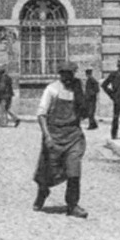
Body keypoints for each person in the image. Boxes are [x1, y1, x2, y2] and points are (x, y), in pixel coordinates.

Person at [33, 63, 88, 218]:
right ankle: (42, 192)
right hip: (54, 136)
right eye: (64, 74)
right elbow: (41, 115)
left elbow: (83, 112)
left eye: (70, 74)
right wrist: (47, 137)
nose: (67, 77)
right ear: (60, 74)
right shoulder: (52, 89)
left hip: (73, 136)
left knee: (74, 170)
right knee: (47, 171)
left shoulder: (77, 89)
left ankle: (72, 205)